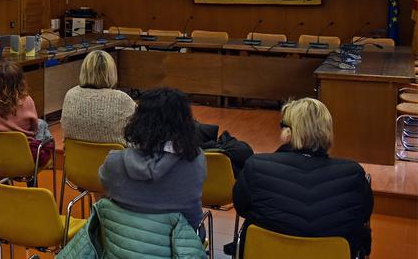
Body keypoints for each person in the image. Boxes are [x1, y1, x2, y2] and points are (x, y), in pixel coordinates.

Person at [233, 98, 373, 257]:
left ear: (288, 133)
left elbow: (241, 207)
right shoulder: (353, 175)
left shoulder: (256, 166)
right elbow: (363, 215)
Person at [99, 88, 206, 233]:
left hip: (125, 246)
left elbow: (104, 187)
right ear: (187, 123)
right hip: (180, 248)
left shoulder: (114, 162)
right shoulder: (196, 160)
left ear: (138, 121)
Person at [0, 60, 54, 167]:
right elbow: (34, 130)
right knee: (42, 124)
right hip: (21, 160)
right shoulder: (27, 101)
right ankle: (33, 177)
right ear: (21, 81)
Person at [61, 50, 136, 145]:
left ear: (84, 71)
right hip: (114, 158)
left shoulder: (70, 95)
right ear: (112, 72)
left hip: (77, 158)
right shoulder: (122, 99)